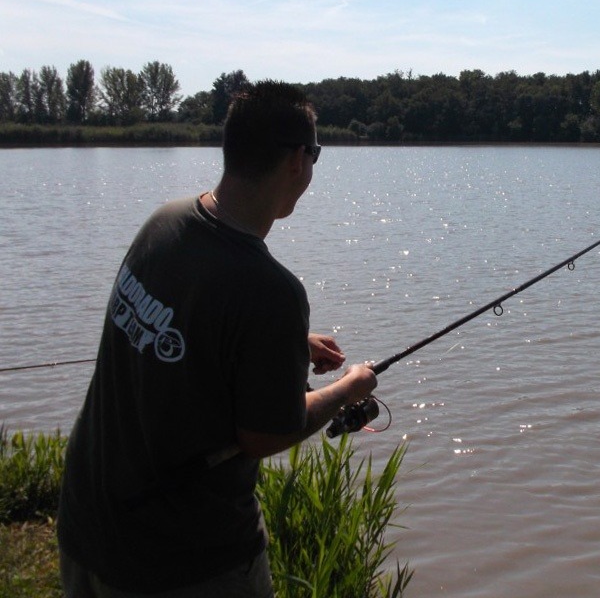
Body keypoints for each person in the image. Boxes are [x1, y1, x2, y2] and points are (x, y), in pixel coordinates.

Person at [57, 81, 377, 597]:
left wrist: (289, 342)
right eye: (315, 154)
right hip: (182, 560)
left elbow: (188, 328)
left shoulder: (165, 222)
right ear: (297, 160)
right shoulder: (269, 291)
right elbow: (267, 435)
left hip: (88, 519)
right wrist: (350, 388)